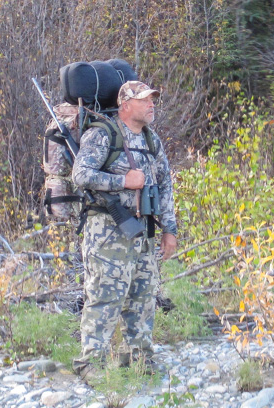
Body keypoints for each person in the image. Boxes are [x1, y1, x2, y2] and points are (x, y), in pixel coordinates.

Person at [71, 80, 178, 377]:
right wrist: (122, 182)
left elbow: (165, 185)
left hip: (141, 230)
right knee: (105, 296)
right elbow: (80, 175)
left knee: (143, 295)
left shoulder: (152, 140)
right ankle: (91, 364)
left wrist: (170, 230)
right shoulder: (103, 134)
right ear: (126, 106)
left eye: (152, 99)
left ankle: (139, 360)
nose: (151, 104)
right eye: (145, 100)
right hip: (106, 230)